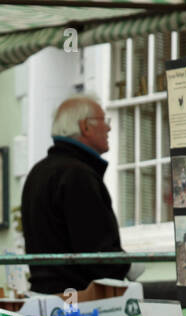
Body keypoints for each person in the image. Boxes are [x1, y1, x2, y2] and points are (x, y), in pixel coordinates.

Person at [20, 95, 142, 294]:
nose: (109, 128)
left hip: (45, 293)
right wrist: (127, 266)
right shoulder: (77, 174)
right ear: (85, 127)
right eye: (104, 121)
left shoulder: (39, 171)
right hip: (77, 298)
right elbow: (94, 247)